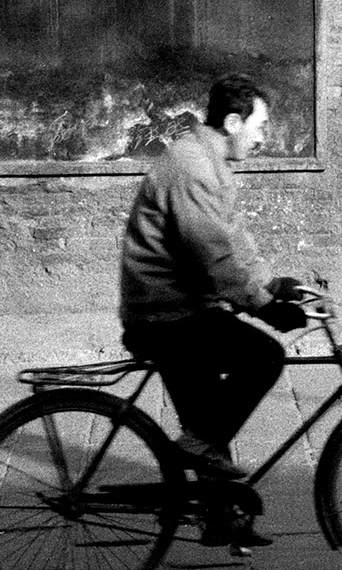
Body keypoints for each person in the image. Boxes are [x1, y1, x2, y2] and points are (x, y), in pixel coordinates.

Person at [118, 73, 307, 545]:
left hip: (181, 310)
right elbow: (210, 255)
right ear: (231, 121)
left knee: (207, 428)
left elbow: (233, 240)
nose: (263, 138)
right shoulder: (192, 165)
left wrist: (271, 285)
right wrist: (264, 309)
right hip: (166, 316)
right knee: (264, 357)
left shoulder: (211, 161)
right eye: (259, 126)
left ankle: (221, 517)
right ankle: (202, 464)